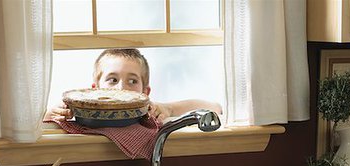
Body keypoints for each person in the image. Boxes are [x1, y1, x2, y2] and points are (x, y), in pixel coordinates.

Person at [45, 48, 222, 125]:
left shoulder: (151, 112)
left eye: (132, 81)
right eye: (112, 80)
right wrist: (51, 113)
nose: (122, 88)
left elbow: (215, 108)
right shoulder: (82, 113)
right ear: (95, 89)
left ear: (145, 93)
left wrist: (169, 108)